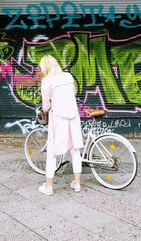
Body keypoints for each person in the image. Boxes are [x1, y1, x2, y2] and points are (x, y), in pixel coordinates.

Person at [37, 54, 84, 195]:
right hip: (73, 116)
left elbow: (46, 105)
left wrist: (46, 109)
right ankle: (77, 184)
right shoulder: (68, 76)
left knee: (51, 152)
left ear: (45, 67)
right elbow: (73, 93)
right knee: (75, 150)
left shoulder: (46, 81)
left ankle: (49, 187)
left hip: (59, 118)